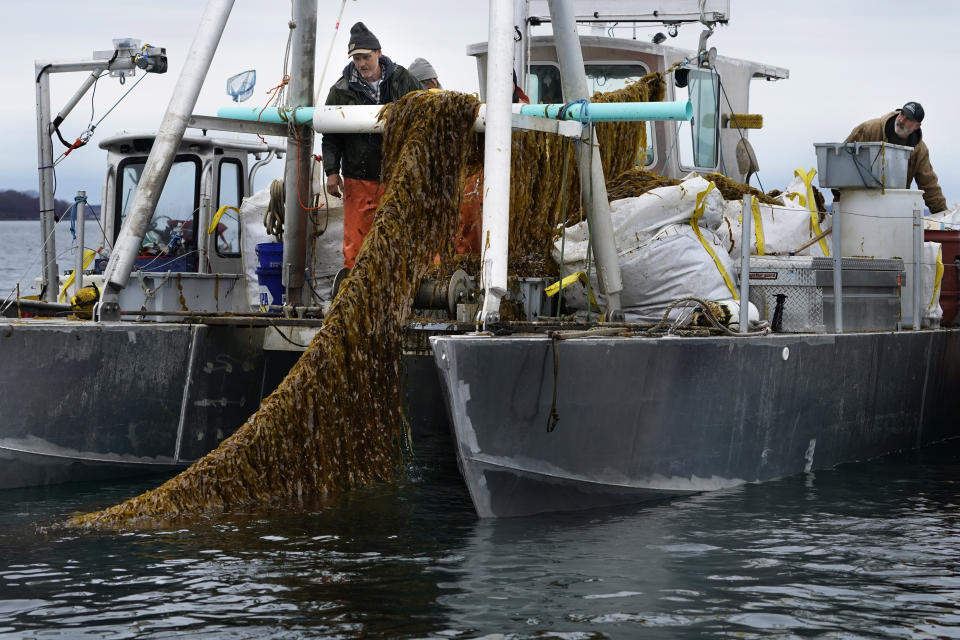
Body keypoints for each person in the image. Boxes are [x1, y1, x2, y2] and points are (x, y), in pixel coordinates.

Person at [321, 22, 423, 268]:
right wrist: (332, 172)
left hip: (400, 176)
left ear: (379, 53)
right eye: (356, 59)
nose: (361, 63)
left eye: (365, 57)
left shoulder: (403, 80)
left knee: (405, 240)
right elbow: (330, 135)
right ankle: (355, 296)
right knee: (356, 246)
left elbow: (425, 115)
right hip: (359, 178)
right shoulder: (340, 90)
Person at [841, 101, 946, 213]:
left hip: (894, 210)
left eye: (908, 119)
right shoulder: (868, 129)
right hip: (858, 204)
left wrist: (943, 215)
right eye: (902, 114)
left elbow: (929, 185)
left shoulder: (919, 150)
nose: (901, 120)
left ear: (917, 126)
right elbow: (841, 159)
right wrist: (839, 198)